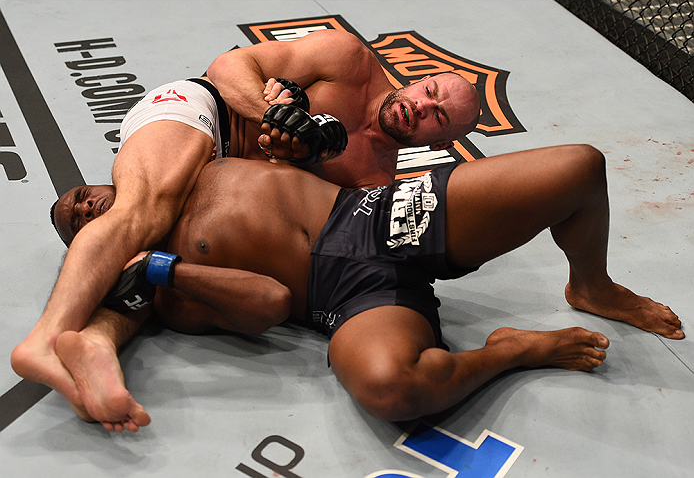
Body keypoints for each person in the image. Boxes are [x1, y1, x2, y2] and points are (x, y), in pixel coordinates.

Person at [49, 145, 683, 432]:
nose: (82, 212)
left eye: (78, 199)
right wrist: (161, 268)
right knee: (391, 388)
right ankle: (511, 349)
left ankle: (592, 284)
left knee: (579, 169)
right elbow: (269, 303)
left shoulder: (175, 160)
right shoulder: (165, 288)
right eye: (74, 227)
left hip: (375, 213)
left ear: (100, 181)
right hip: (345, 295)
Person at [10, 28, 480, 411]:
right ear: (421, 79)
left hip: (216, 192)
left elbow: (284, 210)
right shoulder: (348, 59)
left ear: (440, 146)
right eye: (429, 92)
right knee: (142, 211)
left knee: (153, 263)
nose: (421, 107)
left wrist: (284, 155)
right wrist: (273, 111)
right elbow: (227, 68)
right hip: (206, 115)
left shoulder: (373, 183)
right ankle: (43, 341)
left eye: (438, 118)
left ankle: (97, 345)